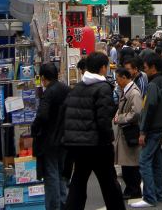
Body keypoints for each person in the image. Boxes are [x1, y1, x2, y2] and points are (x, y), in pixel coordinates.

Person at [61, 52, 125, 210]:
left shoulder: (77, 88)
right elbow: (103, 120)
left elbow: (67, 116)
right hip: (97, 145)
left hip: (78, 145)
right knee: (110, 184)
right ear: (103, 68)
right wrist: (108, 141)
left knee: (78, 184)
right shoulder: (103, 88)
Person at [131, 54, 162, 208]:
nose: (144, 70)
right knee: (156, 162)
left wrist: (143, 131)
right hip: (160, 126)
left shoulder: (153, 85)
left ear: (153, 67)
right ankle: (159, 194)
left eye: (146, 67)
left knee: (144, 161)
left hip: (152, 128)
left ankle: (149, 197)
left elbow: (149, 108)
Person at [32, 62, 69, 210]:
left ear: (43, 77)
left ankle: (53, 206)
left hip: (50, 139)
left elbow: (42, 115)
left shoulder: (48, 93)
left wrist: (34, 129)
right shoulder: (66, 90)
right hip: (65, 138)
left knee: (51, 174)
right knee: (61, 173)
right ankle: (62, 203)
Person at [114, 67, 143, 200]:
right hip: (126, 131)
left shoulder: (134, 93)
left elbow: (136, 112)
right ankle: (131, 188)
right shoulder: (126, 91)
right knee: (127, 164)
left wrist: (120, 118)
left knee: (131, 164)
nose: (116, 81)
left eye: (118, 78)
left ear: (124, 78)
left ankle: (134, 189)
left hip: (130, 131)